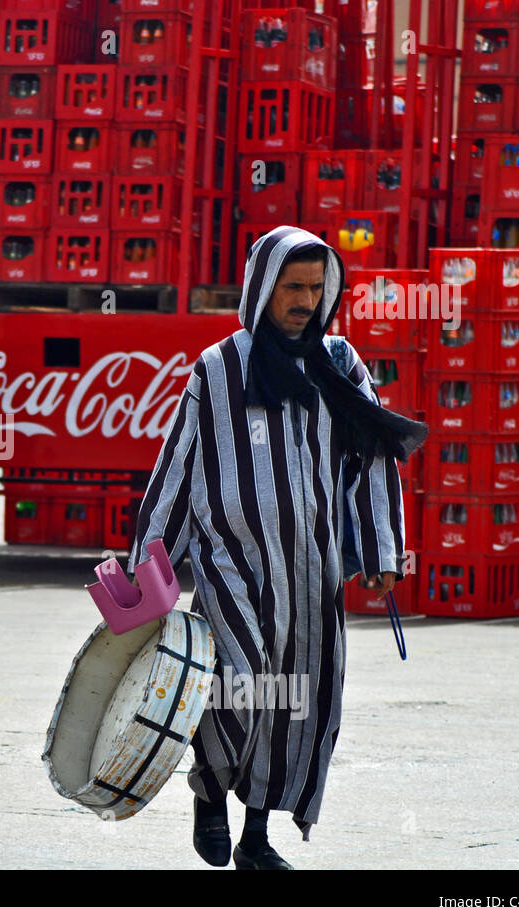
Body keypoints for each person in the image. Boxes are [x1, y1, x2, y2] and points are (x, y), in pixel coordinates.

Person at [128, 225, 427, 870]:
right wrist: (143, 571)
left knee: (296, 700)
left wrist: (380, 550)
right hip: (230, 566)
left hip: (312, 573)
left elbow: (372, 456)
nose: (306, 300)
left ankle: (256, 838)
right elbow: (177, 469)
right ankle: (211, 795)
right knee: (237, 686)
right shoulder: (218, 369)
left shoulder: (340, 365)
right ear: (262, 289)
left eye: (317, 288)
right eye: (293, 287)